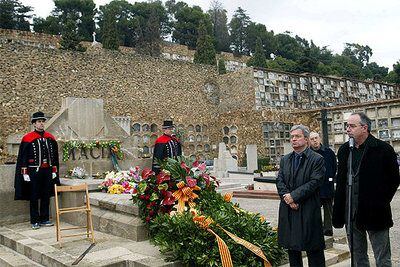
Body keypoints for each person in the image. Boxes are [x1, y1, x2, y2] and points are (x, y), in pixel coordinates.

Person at [332, 112, 400, 266]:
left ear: (364, 128)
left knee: (382, 257)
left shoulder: (383, 149)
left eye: (351, 126)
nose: (347, 129)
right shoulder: (344, 150)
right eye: (346, 126)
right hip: (351, 212)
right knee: (358, 256)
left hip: (375, 211)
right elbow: (342, 181)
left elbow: (394, 179)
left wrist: (380, 200)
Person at [276, 125, 326, 267]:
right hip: (289, 210)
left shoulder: (317, 159)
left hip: (308, 209)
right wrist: (288, 198)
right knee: (293, 250)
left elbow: (315, 182)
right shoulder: (285, 159)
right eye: (292, 137)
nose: (293, 139)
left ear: (306, 139)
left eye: (297, 136)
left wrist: (294, 197)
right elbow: (280, 180)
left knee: (314, 250)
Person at [14, 111, 60, 230]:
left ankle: (44, 218)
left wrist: (54, 170)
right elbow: (23, 157)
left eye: (42, 122)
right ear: (34, 124)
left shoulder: (50, 137)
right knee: (34, 196)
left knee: (46, 194)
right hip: (34, 171)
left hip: (47, 171)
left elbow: (54, 156)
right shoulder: (28, 138)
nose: (41, 124)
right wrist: (25, 173)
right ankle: (34, 220)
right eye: (39, 122)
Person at [309, 131, 337, 236]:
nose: (315, 141)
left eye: (316, 138)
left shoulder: (329, 152)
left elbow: (334, 167)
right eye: (312, 139)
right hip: (314, 187)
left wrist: (330, 178)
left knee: (328, 209)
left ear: (319, 139)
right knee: (314, 209)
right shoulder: (308, 153)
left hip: (326, 185)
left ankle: (328, 229)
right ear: (309, 141)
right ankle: (317, 229)